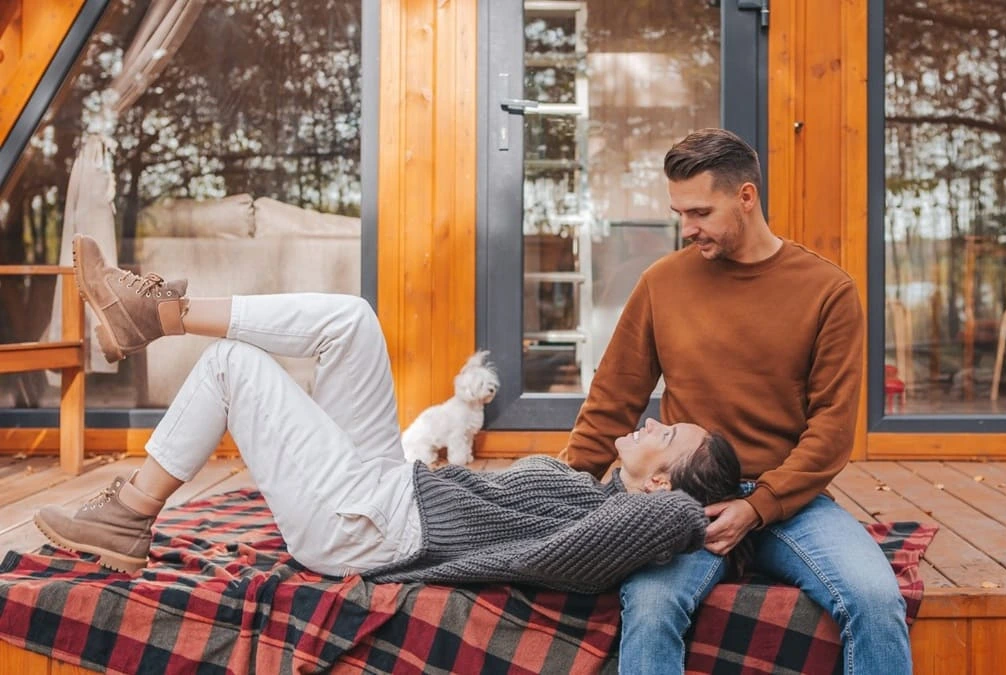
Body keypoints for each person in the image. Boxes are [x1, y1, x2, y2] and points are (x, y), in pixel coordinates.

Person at [34, 235, 743, 593]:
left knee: (233, 367)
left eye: (667, 433)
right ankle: (158, 313)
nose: (653, 420)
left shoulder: (635, 523)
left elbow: (670, 519)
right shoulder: (594, 498)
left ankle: (128, 513)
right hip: (388, 489)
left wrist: (714, 511)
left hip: (369, 527)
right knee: (352, 319)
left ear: (661, 486)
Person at [560, 129, 911, 673]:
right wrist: (559, 488)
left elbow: (833, 429)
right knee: (650, 610)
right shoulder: (662, 283)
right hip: (682, 502)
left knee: (875, 599)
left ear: (746, 197)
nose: (686, 228)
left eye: (699, 211)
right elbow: (612, 399)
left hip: (787, 502)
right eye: (679, 212)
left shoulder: (827, 290)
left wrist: (758, 506)